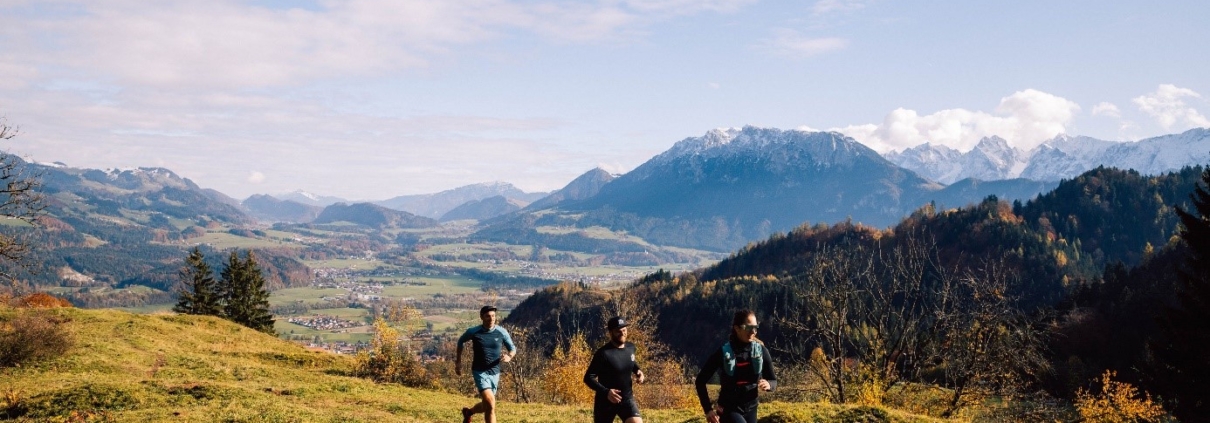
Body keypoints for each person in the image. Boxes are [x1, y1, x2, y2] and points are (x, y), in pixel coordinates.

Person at [694, 310, 777, 423]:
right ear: (737, 328)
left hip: (752, 409)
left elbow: (773, 381)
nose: (753, 331)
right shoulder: (724, 352)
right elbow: (700, 381)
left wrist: (769, 385)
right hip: (728, 410)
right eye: (748, 327)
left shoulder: (761, 350)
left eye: (755, 327)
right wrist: (708, 410)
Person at [457, 305, 516, 423]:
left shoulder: (501, 332)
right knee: (491, 404)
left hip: (495, 372)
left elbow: (512, 348)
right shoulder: (473, 332)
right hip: (480, 371)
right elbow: (460, 341)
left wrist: (509, 356)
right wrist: (458, 362)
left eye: (493, 316)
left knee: (487, 405)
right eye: (488, 316)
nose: (491, 318)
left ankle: (469, 412)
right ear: (482, 317)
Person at [584, 317, 647, 423]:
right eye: (618, 331)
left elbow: (630, 361)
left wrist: (638, 371)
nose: (622, 333)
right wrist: (607, 392)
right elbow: (588, 378)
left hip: (626, 399)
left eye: (624, 330)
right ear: (610, 332)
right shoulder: (603, 353)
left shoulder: (631, 348)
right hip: (605, 402)